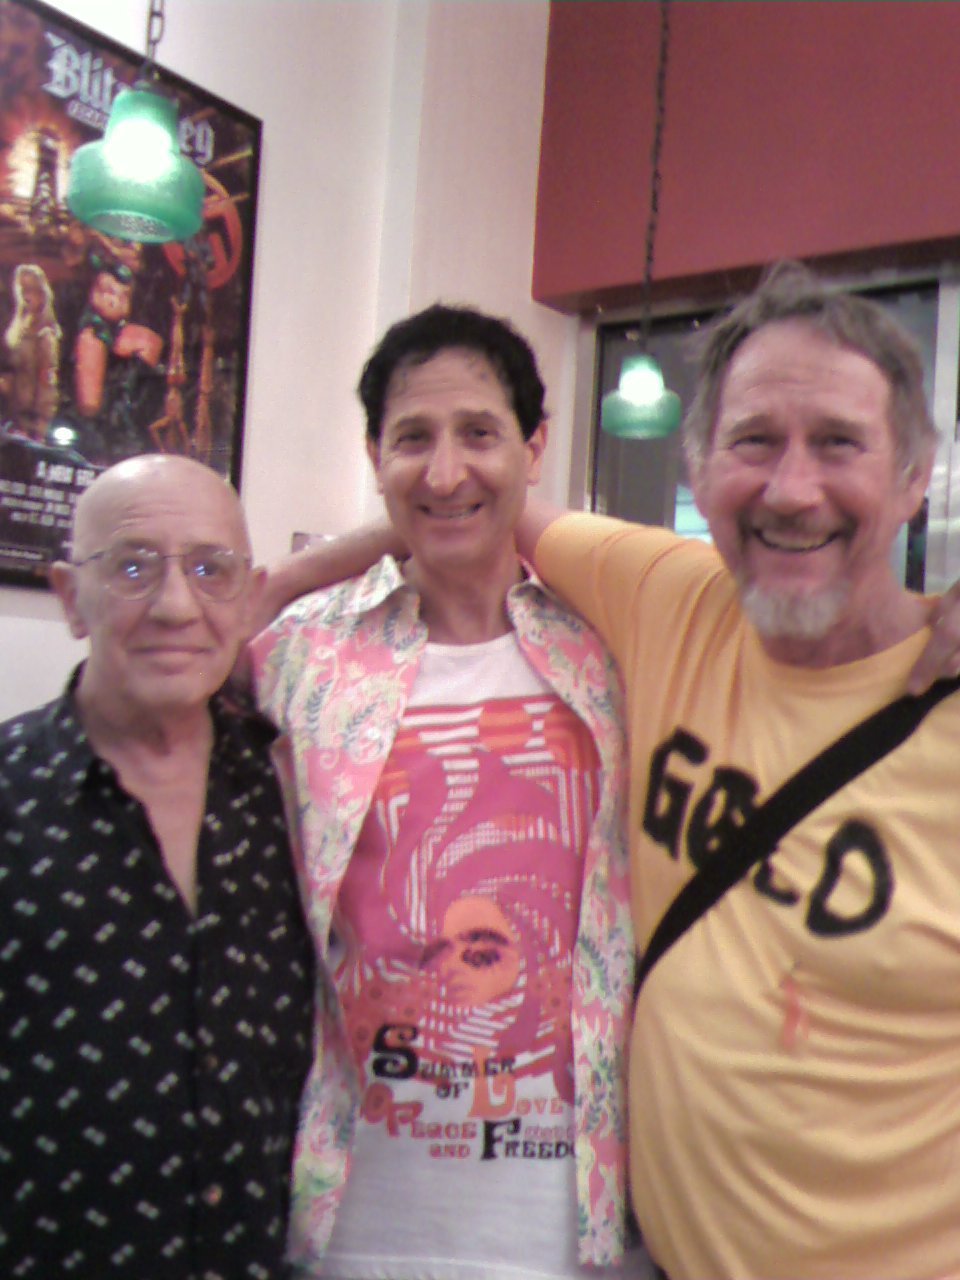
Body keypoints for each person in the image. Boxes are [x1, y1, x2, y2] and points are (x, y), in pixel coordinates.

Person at [513, 261, 960, 1278]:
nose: (791, 488)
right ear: (699, 468)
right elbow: (469, 506)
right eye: (754, 440)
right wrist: (270, 581)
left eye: (839, 443)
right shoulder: (672, 595)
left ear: (913, 475)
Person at [250, 305, 649, 1279]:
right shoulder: (296, 658)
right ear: (373, 457)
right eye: (412, 439)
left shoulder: (612, 647)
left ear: (534, 445)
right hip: (355, 1212)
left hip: (577, 1217)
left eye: (479, 432)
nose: (444, 472)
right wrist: (276, 583)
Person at [0, 454, 316, 1279]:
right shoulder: (9, 795)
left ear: (248, 598)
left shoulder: (301, 793)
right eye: (133, 567)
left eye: (211, 571)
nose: (177, 606)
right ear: (72, 598)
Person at [2, 261, 61, 440]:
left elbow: (47, 382)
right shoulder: (18, 329)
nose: (27, 296)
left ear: (42, 294)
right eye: (23, 290)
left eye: (32, 289)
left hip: (32, 419)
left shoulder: (45, 335)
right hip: (12, 415)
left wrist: (40, 423)